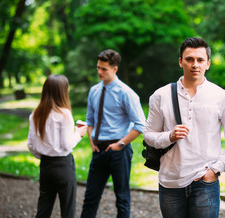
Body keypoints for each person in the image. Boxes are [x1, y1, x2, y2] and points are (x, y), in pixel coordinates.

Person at [143, 37, 225, 218]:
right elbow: (149, 135)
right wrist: (169, 137)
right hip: (170, 182)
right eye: (189, 59)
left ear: (208, 64)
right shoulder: (161, 95)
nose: (195, 64)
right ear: (180, 62)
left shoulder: (222, 97)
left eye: (200, 60)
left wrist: (215, 170)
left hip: (204, 182)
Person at [80, 49, 146, 218]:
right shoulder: (94, 91)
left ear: (115, 69)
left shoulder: (126, 93)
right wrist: (92, 141)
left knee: (122, 198)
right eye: (98, 68)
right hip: (98, 151)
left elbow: (140, 125)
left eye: (104, 69)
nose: (99, 72)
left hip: (119, 151)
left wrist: (121, 144)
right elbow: (90, 120)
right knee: (90, 197)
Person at [27, 74, 87, 218]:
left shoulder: (36, 114)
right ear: (62, 92)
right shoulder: (64, 114)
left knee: (43, 208)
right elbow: (67, 144)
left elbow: (31, 144)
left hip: (46, 165)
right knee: (67, 210)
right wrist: (79, 133)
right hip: (63, 165)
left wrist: (44, 155)